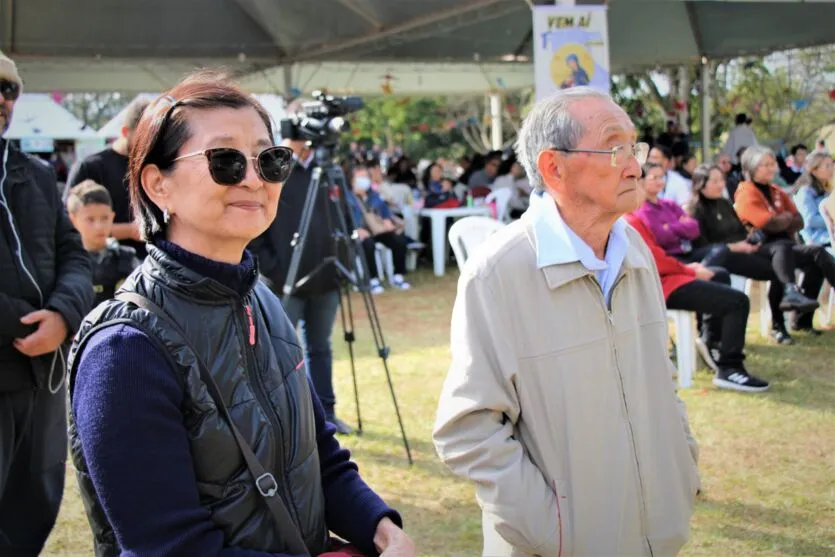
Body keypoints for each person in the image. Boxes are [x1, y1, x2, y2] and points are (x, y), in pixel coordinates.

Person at [67, 72, 414, 557]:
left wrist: (381, 527)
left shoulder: (263, 300)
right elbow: (170, 549)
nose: (254, 178)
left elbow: (319, 455)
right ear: (157, 184)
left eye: (269, 159)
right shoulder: (125, 350)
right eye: (225, 160)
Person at [433, 87, 699, 557]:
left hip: (656, 534)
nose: (635, 165)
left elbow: (659, 380)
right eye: (615, 147)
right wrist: (554, 529)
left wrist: (682, 468)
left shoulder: (633, 252)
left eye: (634, 147)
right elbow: (468, 429)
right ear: (553, 167)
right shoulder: (499, 272)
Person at [0, 53, 94, 554]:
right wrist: (28, 323)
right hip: (10, 361)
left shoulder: (35, 174)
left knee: (34, 508)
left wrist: (62, 315)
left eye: (9, 90)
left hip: (42, 381)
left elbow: (73, 254)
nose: (1, 99)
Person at [628, 170, 769, 391]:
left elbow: (689, 230)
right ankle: (729, 369)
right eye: (640, 183)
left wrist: (686, 265)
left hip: (667, 276)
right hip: (661, 285)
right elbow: (656, 258)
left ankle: (711, 339)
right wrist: (690, 271)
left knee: (719, 274)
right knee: (738, 301)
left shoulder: (635, 217)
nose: (644, 189)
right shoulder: (630, 220)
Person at [249, 137, 354, 435]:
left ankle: (327, 413)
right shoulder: (272, 171)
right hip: (286, 282)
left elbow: (345, 218)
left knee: (321, 347)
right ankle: (279, 420)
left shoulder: (328, 172)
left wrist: (342, 262)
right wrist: (275, 270)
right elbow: (257, 226)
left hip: (326, 278)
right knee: (277, 352)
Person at [685, 164, 816, 345]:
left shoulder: (724, 203)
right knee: (779, 260)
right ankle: (709, 334)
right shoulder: (694, 209)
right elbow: (702, 247)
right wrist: (733, 246)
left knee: (780, 263)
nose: (720, 185)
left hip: (742, 251)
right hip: (720, 257)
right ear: (701, 184)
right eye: (714, 181)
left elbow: (740, 232)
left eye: (721, 180)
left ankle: (779, 324)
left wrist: (751, 239)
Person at [734, 145, 835, 334]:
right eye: (765, 164)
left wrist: (781, 220)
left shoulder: (777, 191)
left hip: (783, 246)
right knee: (782, 251)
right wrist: (784, 219)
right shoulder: (746, 192)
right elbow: (766, 222)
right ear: (752, 167)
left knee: (816, 254)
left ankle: (802, 321)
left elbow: (800, 221)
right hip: (758, 250)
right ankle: (778, 325)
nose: (771, 168)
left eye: (772, 164)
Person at [65, 97, 150, 258]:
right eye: (144, 137)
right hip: (101, 264)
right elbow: (68, 222)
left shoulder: (154, 166)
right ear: (125, 132)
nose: (150, 144)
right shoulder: (90, 167)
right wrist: (129, 231)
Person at [66, 180, 140, 307]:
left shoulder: (126, 260)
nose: (99, 226)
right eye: (90, 219)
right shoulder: (66, 262)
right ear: (73, 219)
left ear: (112, 217)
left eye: (105, 218)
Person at [348, 163, 412, 293]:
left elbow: (385, 212)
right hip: (358, 233)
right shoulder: (348, 197)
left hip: (377, 231)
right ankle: (372, 280)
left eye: (366, 177)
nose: (363, 180)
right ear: (352, 180)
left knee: (399, 240)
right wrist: (355, 230)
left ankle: (398, 276)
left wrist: (387, 221)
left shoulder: (374, 195)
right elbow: (343, 219)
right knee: (367, 243)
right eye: (360, 177)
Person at [793, 150, 833, 247]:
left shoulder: (829, 186)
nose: (832, 168)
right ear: (814, 170)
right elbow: (810, 220)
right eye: (827, 166)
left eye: (832, 164)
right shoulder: (805, 192)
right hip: (819, 239)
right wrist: (832, 219)